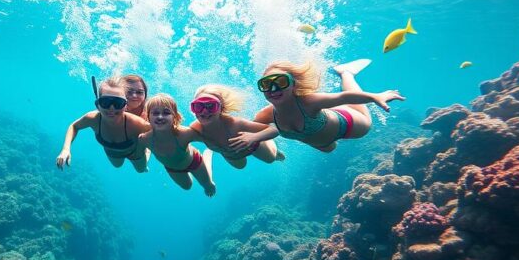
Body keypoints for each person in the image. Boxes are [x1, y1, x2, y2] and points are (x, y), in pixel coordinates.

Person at [230, 59, 404, 153]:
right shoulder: (265, 115)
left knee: (363, 119)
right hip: (322, 142)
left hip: (348, 124)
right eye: (266, 84)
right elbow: (252, 132)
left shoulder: (308, 101)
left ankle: (346, 73)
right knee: (328, 149)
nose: (273, 89)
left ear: (294, 85)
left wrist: (375, 97)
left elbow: (344, 96)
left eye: (281, 82)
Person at [57, 76, 151, 172]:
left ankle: (147, 151)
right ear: (98, 104)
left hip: (136, 153)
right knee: (117, 165)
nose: (112, 108)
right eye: (105, 102)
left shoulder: (137, 123)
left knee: (141, 169)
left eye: (118, 103)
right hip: (112, 152)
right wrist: (65, 149)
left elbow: (160, 133)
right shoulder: (92, 118)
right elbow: (74, 126)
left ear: (125, 106)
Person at [134, 93, 217, 197]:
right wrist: (144, 165)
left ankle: (206, 164)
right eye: (155, 113)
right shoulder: (144, 139)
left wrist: (223, 147)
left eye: (166, 113)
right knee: (187, 187)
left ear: (175, 117)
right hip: (172, 168)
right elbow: (141, 153)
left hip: (194, 162)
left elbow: (209, 139)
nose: (160, 116)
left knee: (208, 186)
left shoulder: (184, 134)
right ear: (148, 117)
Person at [188, 84, 285, 169]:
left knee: (270, 159)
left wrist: (253, 137)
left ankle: (263, 132)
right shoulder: (195, 130)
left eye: (211, 106)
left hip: (253, 144)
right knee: (241, 166)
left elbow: (274, 130)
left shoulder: (236, 124)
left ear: (221, 108)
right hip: (231, 154)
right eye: (198, 106)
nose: (204, 111)